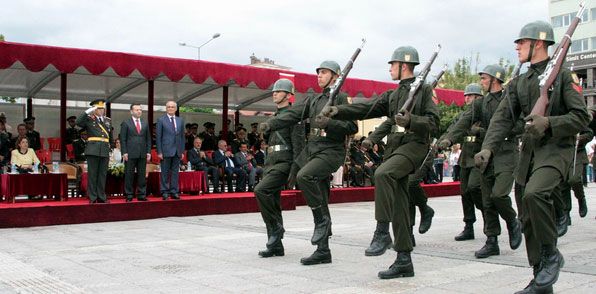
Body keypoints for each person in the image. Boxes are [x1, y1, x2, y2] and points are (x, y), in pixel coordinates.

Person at [475, 21, 590, 293]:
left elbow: (582, 117)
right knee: (527, 217)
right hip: (528, 154)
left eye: (521, 42)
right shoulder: (520, 82)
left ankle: (552, 255)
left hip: (556, 150)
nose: (516, 47)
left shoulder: (562, 76)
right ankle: (541, 280)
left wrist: (549, 123)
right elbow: (502, 118)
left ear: (538, 43)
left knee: (534, 195)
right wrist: (488, 147)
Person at [321, 47, 439, 278]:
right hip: (396, 149)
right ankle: (404, 259)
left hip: (414, 146)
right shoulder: (393, 94)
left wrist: (412, 120)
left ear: (403, 66)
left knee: (383, 174)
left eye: (392, 65)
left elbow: (435, 125)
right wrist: (338, 111)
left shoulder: (423, 90)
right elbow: (367, 108)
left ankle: (382, 231)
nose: (389, 69)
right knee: (400, 204)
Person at [260, 61, 358, 265]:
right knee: (321, 194)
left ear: (335, 76)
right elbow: (293, 114)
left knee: (306, 176)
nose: (319, 76)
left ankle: (322, 223)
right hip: (313, 150)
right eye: (319, 72)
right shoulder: (313, 99)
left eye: (324, 72)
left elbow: (352, 126)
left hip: (331, 150)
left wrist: (330, 123)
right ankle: (323, 250)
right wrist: (272, 123)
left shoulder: (341, 97)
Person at [446, 64, 524, 259]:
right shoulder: (481, 104)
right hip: (486, 155)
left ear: (495, 79)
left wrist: (500, 131)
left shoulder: (510, 98)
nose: (481, 82)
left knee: (499, 195)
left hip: (506, 152)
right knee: (487, 199)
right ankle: (492, 241)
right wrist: (448, 139)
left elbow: (522, 124)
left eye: (484, 79)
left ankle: (512, 220)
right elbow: (464, 121)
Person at [255, 78, 301, 257]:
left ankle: (276, 230)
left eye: (279, 91)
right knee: (272, 200)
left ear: (289, 95)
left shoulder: (293, 117)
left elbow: (298, 146)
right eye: (274, 91)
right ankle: (276, 246)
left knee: (261, 191)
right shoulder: (273, 117)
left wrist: (295, 170)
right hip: (270, 162)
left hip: (285, 162)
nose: (274, 93)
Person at [438, 83, 485, 241]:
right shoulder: (463, 115)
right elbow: (453, 129)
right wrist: (442, 141)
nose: (467, 98)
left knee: (475, 188)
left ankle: (488, 218)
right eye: (466, 96)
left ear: (479, 97)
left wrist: (479, 131)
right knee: (465, 193)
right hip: (465, 158)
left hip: (480, 157)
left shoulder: (485, 114)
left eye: (470, 96)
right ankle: (469, 226)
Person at [76, 99, 113, 204]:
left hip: (105, 150)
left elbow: (110, 136)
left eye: (102, 108)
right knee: (92, 175)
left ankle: (101, 196)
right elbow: (78, 122)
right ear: (94, 109)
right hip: (92, 150)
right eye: (98, 108)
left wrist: (111, 148)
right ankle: (92, 197)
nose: (101, 110)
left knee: (102, 175)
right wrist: (87, 111)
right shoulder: (89, 119)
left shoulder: (108, 120)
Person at [120, 103, 151, 202]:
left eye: (140, 110)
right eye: (137, 110)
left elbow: (148, 139)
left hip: (142, 152)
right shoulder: (126, 123)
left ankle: (141, 194)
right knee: (129, 174)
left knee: (141, 175)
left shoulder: (145, 123)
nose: (139, 111)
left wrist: (148, 152)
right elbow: (123, 139)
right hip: (130, 153)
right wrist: (124, 152)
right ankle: (129, 194)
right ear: (131, 111)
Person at [156, 100, 185, 200]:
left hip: (177, 150)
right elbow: (158, 137)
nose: (170, 108)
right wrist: (159, 152)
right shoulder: (161, 120)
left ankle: (174, 191)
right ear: (166, 108)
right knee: (164, 172)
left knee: (175, 172)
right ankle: (164, 191)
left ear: (176, 109)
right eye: (168, 107)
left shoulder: (180, 120)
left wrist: (182, 151)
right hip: (165, 150)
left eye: (172, 107)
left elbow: (182, 137)